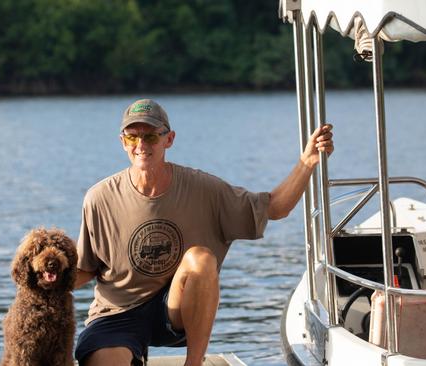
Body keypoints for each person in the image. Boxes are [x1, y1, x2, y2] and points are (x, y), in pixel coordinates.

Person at [74, 98, 333, 366]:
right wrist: (40, 281)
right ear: (122, 141)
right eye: (132, 137)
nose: (141, 145)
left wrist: (307, 161)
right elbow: (85, 268)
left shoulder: (203, 189)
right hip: (116, 312)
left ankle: (194, 363)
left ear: (169, 139)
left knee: (201, 259)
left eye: (150, 136)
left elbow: (275, 207)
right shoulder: (99, 197)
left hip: (173, 309)